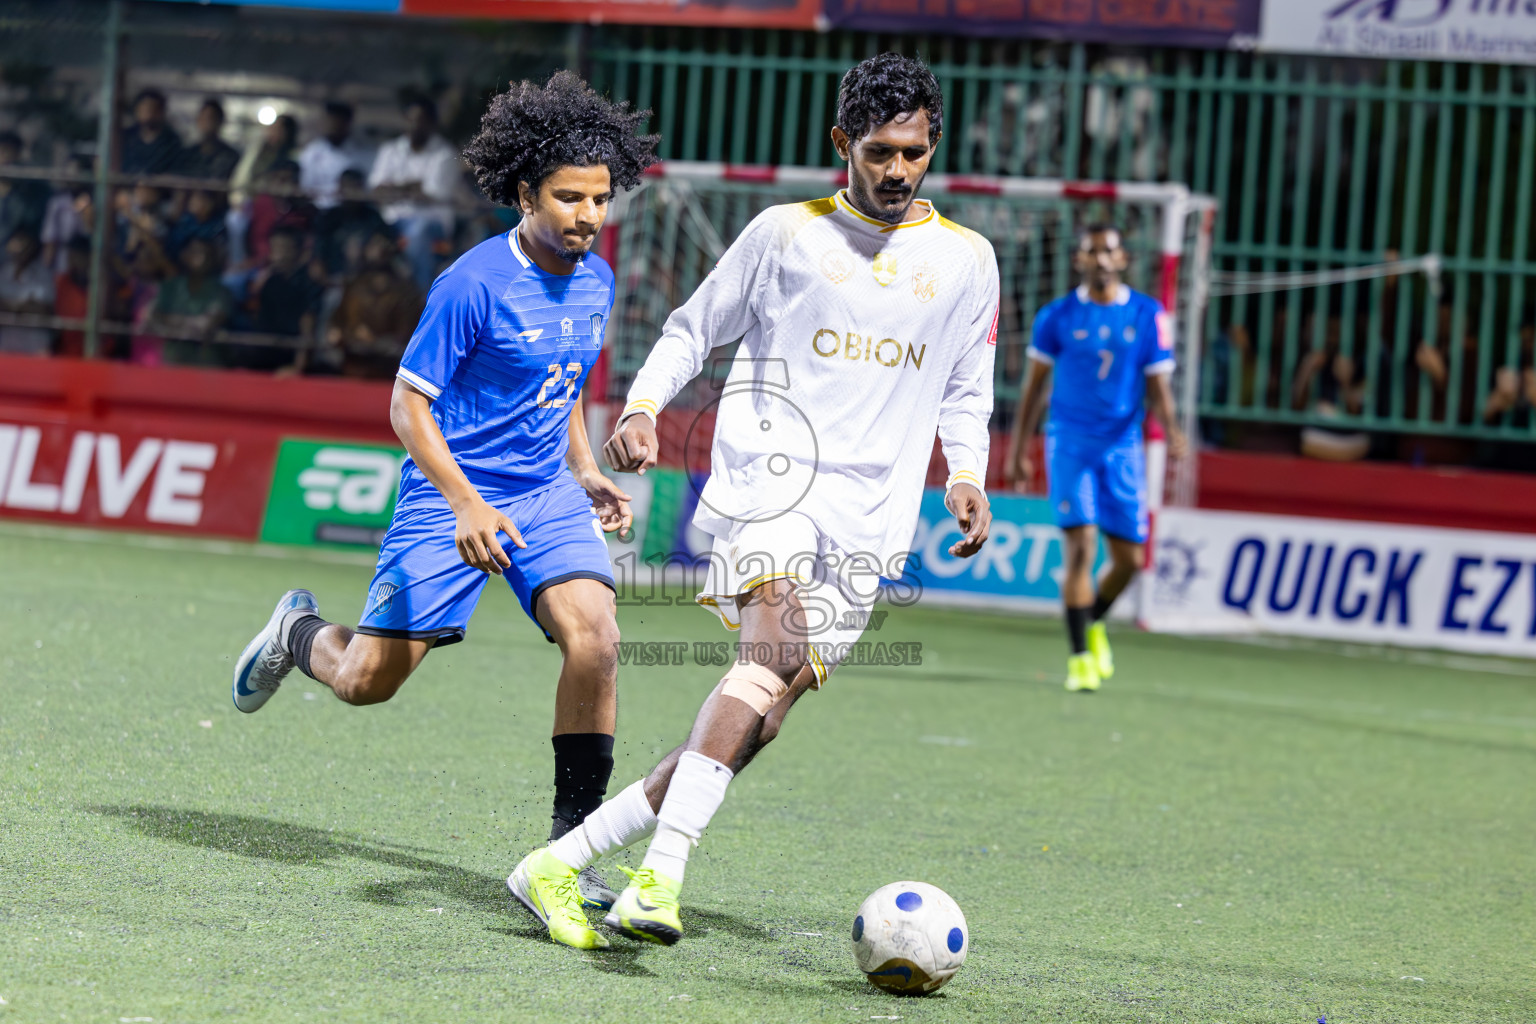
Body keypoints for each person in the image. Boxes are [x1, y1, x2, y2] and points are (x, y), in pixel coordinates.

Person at [508, 53, 998, 950]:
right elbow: (695, 327)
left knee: (759, 719)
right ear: (843, 143)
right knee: (768, 646)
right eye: (880, 152)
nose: (897, 172)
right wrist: (646, 407)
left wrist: (966, 471)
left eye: (915, 153)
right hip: (771, 480)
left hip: (873, 520)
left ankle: (562, 860)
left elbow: (969, 388)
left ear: (933, 148)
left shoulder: (969, 260)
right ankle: (662, 877)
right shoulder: (784, 234)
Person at [230, 72, 657, 926]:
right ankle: (297, 631)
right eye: (568, 198)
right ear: (524, 193)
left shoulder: (596, 279)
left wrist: (582, 466)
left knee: (598, 642)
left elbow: (561, 380)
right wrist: (465, 503)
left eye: (600, 199)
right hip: (448, 496)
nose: (587, 216)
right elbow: (406, 406)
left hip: (542, 494)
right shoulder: (471, 283)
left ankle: (568, 851)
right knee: (364, 684)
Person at [1005, 225, 1185, 693]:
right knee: (1081, 548)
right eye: (1091, 252)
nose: (1100, 259)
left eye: (1108, 251)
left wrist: (1175, 429)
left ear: (1123, 258)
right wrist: (1021, 448)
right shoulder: (1057, 316)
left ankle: (1094, 621)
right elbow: (1034, 386)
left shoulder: (1148, 314)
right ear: (1079, 261)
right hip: (1070, 442)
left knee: (1130, 559)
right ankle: (1080, 658)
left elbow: (1158, 383)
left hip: (1122, 446)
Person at [368, 96, 463, 287]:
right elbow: (377, 191)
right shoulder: (390, 150)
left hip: (432, 224)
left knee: (417, 233)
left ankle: (422, 293)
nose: (415, 125)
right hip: (391, 222)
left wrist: (394, 187)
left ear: (432, 124)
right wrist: (412, 186)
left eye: (421, 120)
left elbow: (429, 196)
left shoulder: (445, 154)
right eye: (410, 119)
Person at [324, 227, 422, 378]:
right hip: (352, 365)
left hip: (387, 371)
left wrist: (374, 341)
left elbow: (406, 340)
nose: (378, 251)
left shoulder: (406, 293)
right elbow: (338, 323)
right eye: (373, 245)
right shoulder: (354, 285)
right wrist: (341, 333)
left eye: (384, 245)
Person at [147, 236, 232, 368]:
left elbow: (205, 325)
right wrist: (191, 323)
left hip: (206, 367)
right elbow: (151, 318)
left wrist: (169, 321)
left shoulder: (221, 292)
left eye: (202, 252)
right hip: (172, 363)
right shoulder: (170, 287)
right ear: (183, 255)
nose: (197, 257)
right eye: (192, 251)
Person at [314, 169, 387, 280]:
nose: (351, 192)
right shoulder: (328, 217)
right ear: (339, 188)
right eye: (347, 187)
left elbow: (387, 241)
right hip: (334, 276)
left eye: (355, 187)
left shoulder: (372, 216)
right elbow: (318, 250)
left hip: (368, 276)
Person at [298, 102, 373, 209]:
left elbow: (366, 188)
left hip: (350, 211)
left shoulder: (363, 153)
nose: (332, 126)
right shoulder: (312, 152)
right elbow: (304, 186)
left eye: (337, 121)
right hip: (316, 211)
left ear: (347, 123)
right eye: (329, 120)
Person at [0, 225, 55, 355]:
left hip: (35, 342)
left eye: (23, 243)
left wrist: (11, 306)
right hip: (6, 340)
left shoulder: (43, 274)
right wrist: (22, 307)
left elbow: (43, 309)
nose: (19, 250)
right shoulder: (4, 272)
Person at [120, 89, 183, 177]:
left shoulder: (172, 141)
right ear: (136, 111)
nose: (149, 114)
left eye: (153, 109)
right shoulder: (125, 137)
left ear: (161, 112)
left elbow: (174, 173)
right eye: (144, 109)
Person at [180, 98, 241, 182]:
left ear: (220, 121)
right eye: (204, 118)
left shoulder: (231, 156)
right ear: (198, 120)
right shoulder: (187, 155)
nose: (207, 123)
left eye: (211, 118)